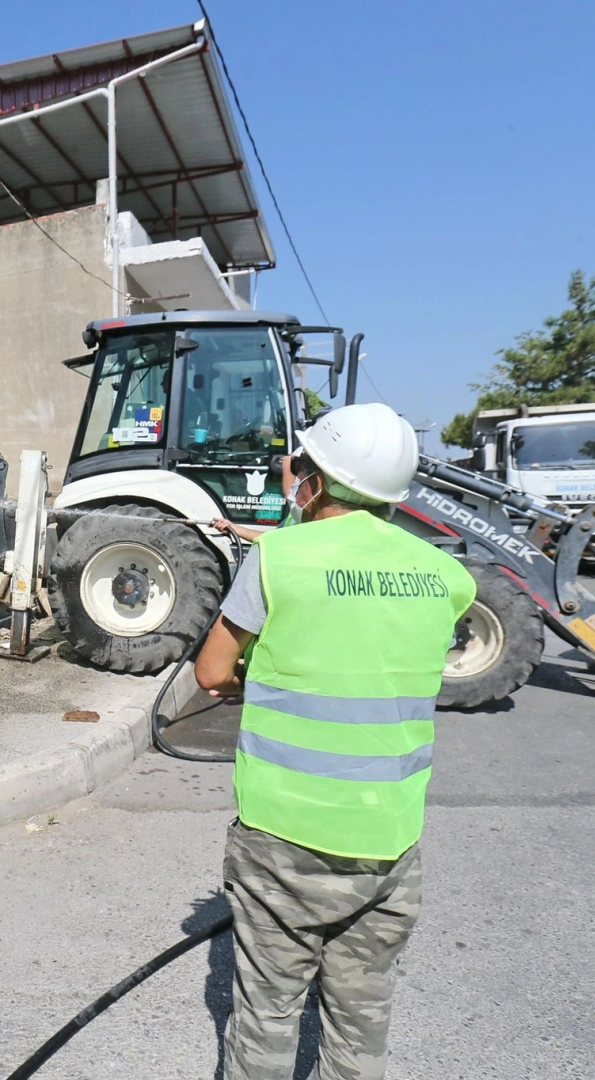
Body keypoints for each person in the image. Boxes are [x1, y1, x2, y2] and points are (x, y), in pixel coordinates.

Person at [194, 403, 476, 1080]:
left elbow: (209, 674)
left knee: (266, 1012)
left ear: (312, 482)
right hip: (389, 838)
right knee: (360, 1016)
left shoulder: (277, 559)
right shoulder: (445, 576)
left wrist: (253, 682)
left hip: (283, 834)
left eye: (298, 467)